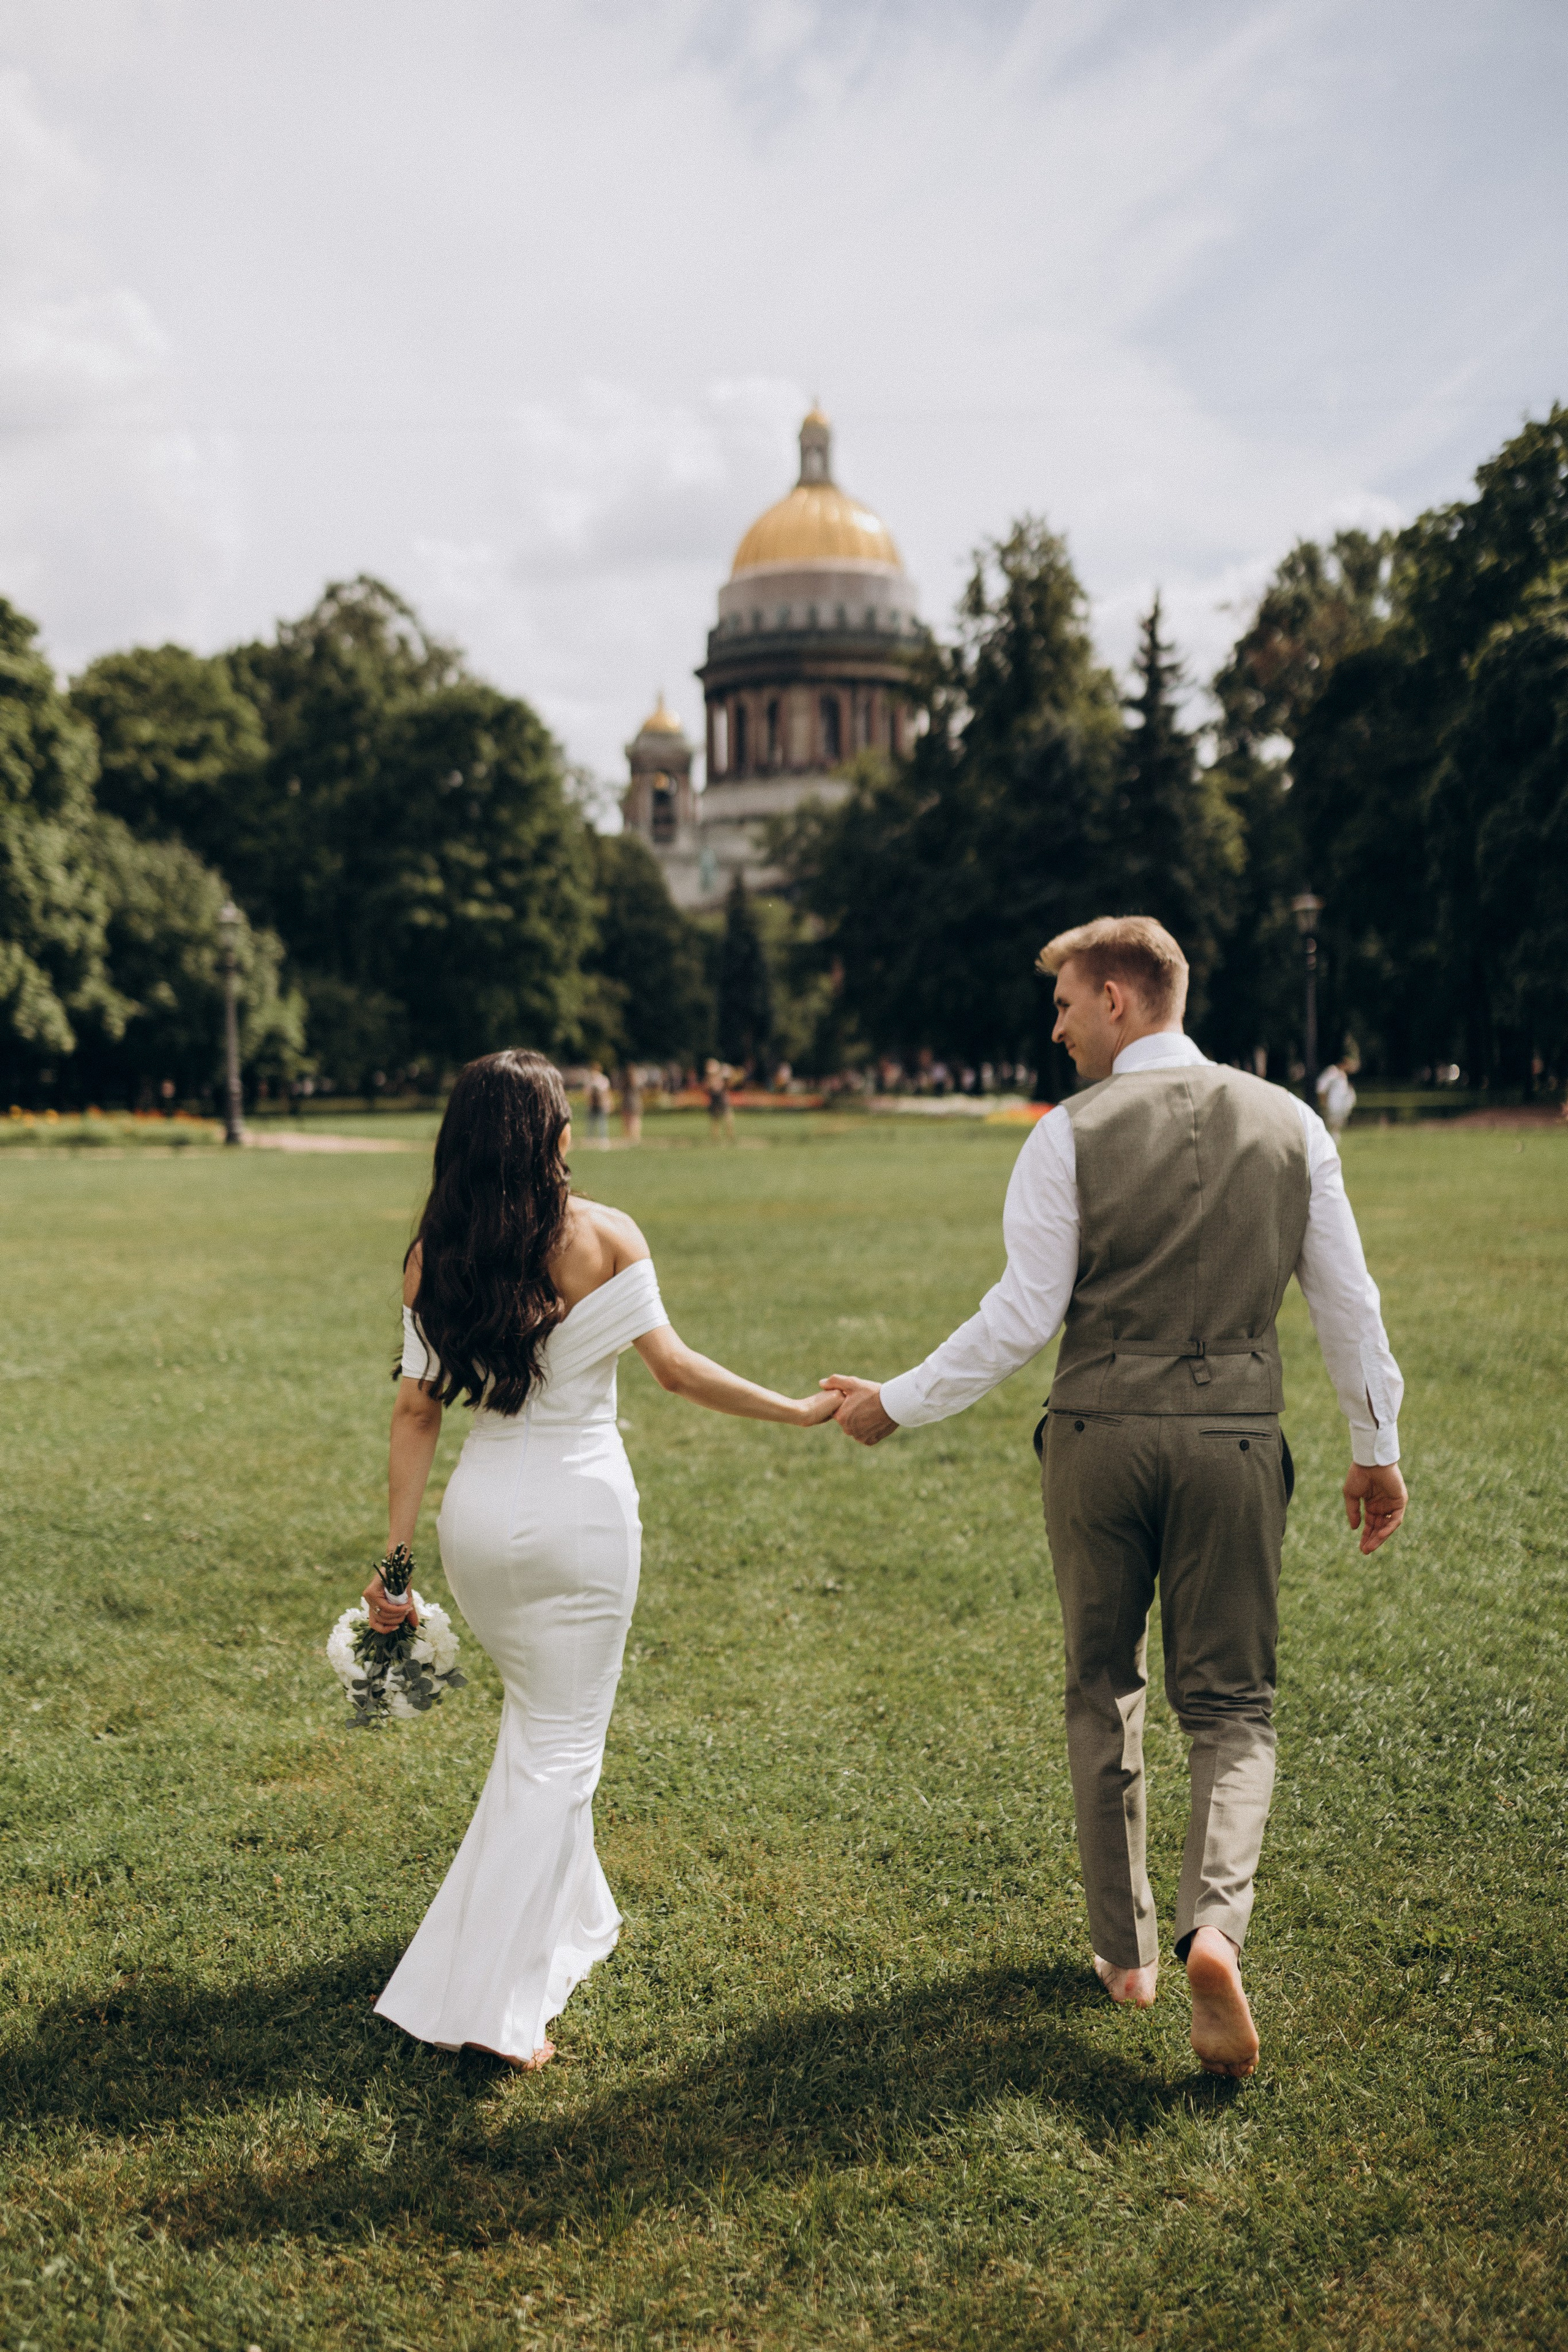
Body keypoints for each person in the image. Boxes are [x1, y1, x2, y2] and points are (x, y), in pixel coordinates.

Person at [825, 916, 1406, 2079]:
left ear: (1121, 1001)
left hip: (1097, 1438)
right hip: (1236, 1443)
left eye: (1067, 1006)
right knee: (1234, 1708)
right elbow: (1348, 1302)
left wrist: (895, 1400)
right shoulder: (1291, 1123)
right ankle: (1217, 1929)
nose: (1057, 1029)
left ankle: (1129, 1955)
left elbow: (1020, 1316)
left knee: (1105, 1687)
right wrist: (1374, 1444)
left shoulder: (1068, 1135)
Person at [364, 1050, 840, 2070]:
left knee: (540, 1733)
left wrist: (396, 1569)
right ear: (553, 1138)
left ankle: (568, 1918)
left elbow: (415, 1413)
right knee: (562, 1751)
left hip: (480, 1523)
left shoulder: (430, 1254)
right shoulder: (604, 1235)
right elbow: (675, 1372)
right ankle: (497, 2011)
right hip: (581, 1516)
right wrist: (796, 1408)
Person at [1316, 1052, 1358, 1139]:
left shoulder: (1342, 1074)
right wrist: (1323, 1102)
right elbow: (1321, 1086)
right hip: (1332, 1105)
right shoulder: (1333, 1071)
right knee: (1330, 1126)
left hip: (1340, 1106)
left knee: (1336, 1127)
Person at [704, 1058, 735, 1143]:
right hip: (715, 1098)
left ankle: (729, 1135)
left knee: (726, 1116)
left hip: (721, 1097)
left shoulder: (721, 1075)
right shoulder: (712, 1077)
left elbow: (728, 1083)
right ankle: (716, 1137)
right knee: (716, 1118)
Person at [584, 1062, 611, 1144]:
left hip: (601, 1104)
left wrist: (608, 1103)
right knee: (591, 1122)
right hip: (593, 1104)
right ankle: (589, 1138)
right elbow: (587, 1092)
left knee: (602, 1122)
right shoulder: (590, 1080)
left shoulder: (603, 1079)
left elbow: (606, 1092)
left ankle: (603, 1139)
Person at [619, 1064, 643, 1146]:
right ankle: (632, 1138)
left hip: (631, 1102)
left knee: (632, 1121)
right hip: (632, 1102)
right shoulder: (631, 1081)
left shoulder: (632, 1082)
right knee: (632, 1121)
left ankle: (633, 1138)